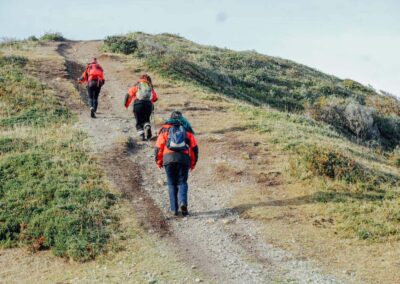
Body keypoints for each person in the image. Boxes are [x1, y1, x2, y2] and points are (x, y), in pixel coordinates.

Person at [155, 111, 198, 217]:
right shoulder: (187, 131)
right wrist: (192, 163)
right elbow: (194, 149)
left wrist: (159, 162)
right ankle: (183, 203)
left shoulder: (164, 129)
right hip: (183, 159)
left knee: (171, 183)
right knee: (182, 182)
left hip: (168, 159)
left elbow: (158, 148)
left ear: (170, 118)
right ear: (182, 119)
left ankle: (174, 209)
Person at [124, 74, 158, 141]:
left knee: (139, 122)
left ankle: (142, 136)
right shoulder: (149, 86)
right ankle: (147, 125)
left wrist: (126, 105)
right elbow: (155, 98)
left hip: (138, 104)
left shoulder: (137, 85)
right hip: (148, 105)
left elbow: (128, 95)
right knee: (146, 119)